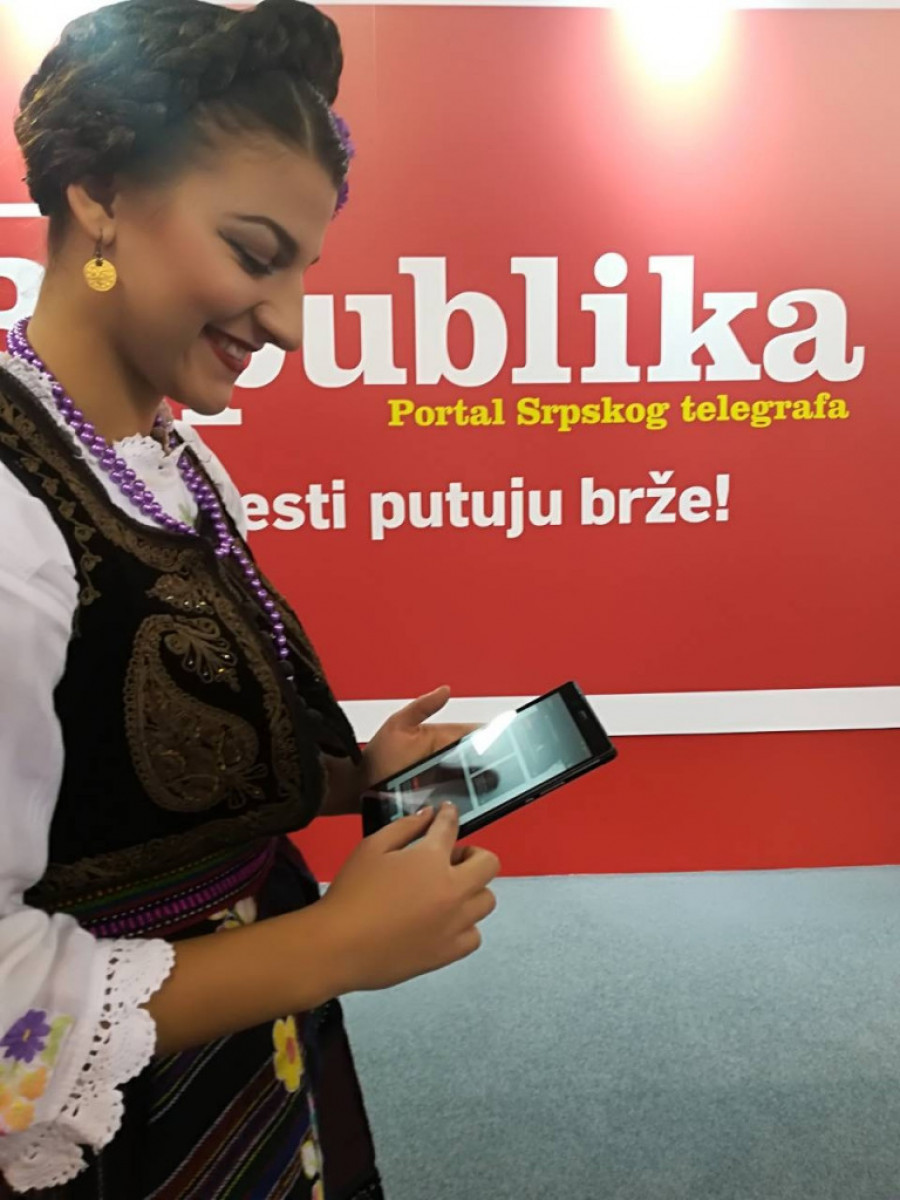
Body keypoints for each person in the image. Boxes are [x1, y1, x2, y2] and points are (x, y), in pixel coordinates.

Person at [0, 1, 500, 1196]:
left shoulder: (173, 462)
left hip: (245, 1038)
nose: (288, 323)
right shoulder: (9, 527)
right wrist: (332, 945)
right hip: (114, 1124)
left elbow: (128, 768)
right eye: (254, 253)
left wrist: (347, 778)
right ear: (100, 196)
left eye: (304, 269)